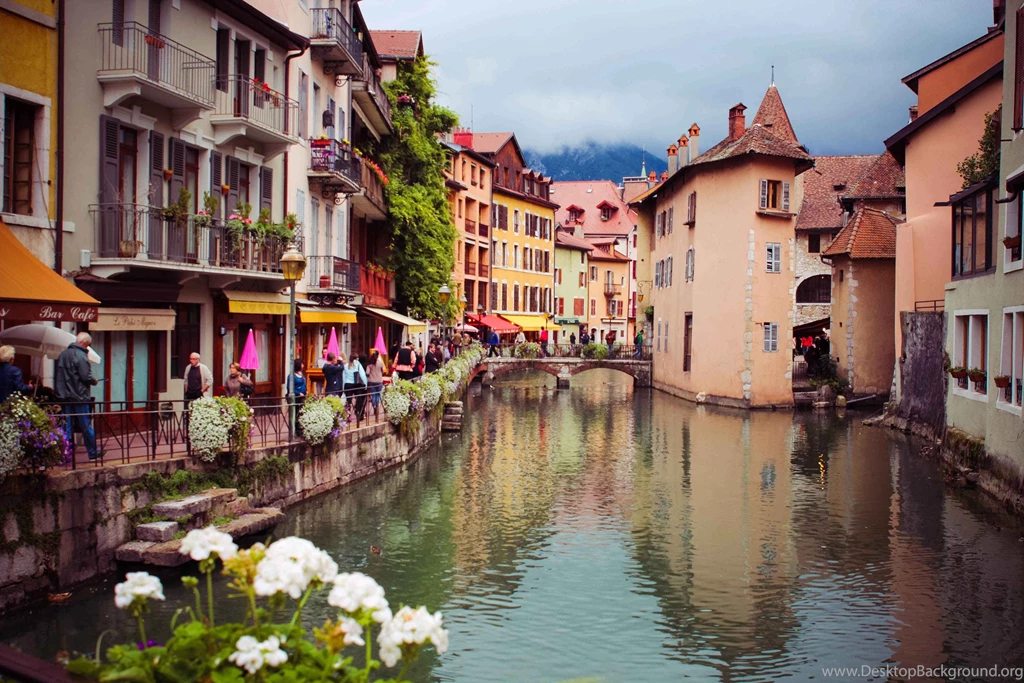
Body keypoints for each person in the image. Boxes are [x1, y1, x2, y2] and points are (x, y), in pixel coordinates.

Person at [55, 333, 102, 461]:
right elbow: (86, 377)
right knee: (85, 425)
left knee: (66, 426)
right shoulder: (81, 356)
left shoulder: (63, 355)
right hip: (79, 396)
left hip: (65, 397)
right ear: (85, 343)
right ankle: (92, 453)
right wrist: (94, 381)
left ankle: (64, 455)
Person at [341, 353, 368, 417]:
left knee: (348, 400)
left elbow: (343, 377)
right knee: (359, 398)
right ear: (357, 358)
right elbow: (362, 374)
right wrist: (365, 384)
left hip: (347, 384)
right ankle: (358, 413)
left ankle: (347, 414)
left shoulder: (346, 366)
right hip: (356, 385)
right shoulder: (358, 364)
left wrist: (343, 387)